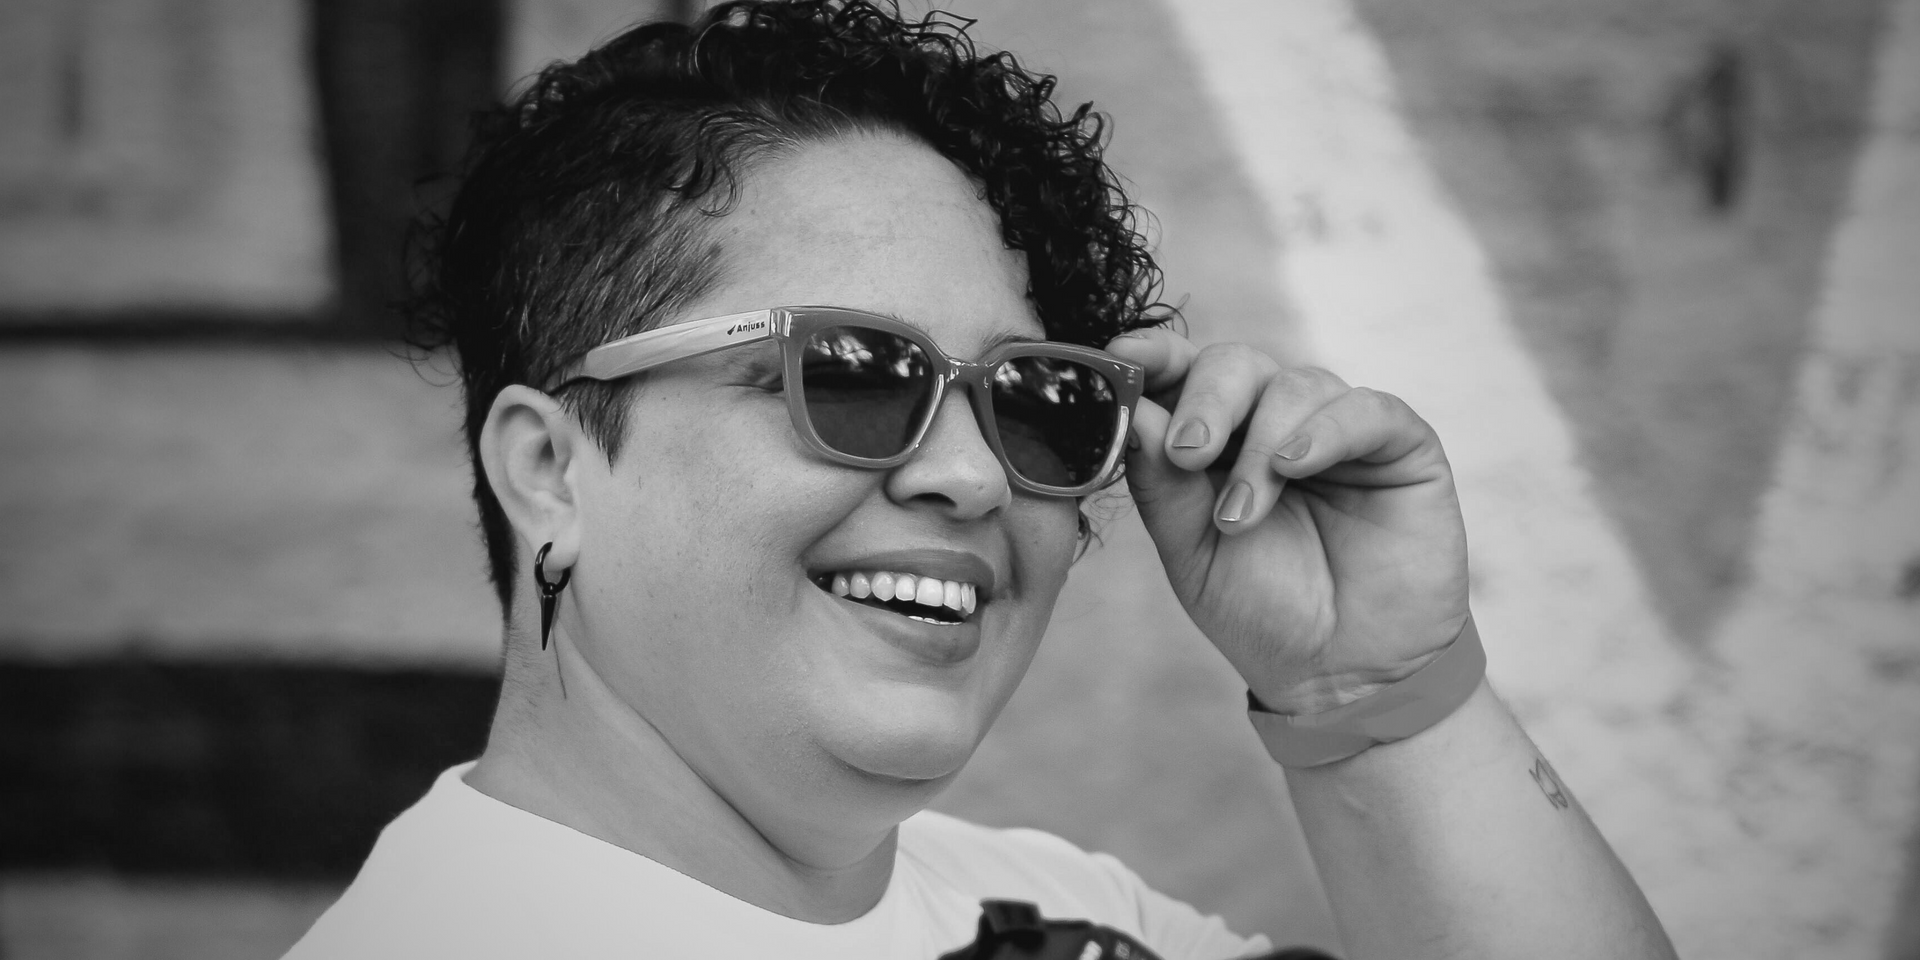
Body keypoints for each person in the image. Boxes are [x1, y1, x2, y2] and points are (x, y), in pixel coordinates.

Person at [284, 2, 1678, 957]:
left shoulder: (1057, 916)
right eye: (851, 372)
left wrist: (1377, 696)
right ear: (549, 469)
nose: (969, 474)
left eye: (1035, 403)